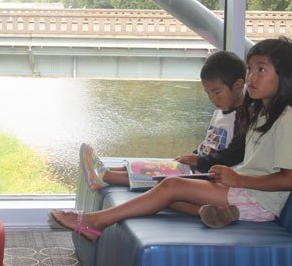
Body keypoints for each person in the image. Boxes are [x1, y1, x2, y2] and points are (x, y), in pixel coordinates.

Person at [50, 36, 292, 238]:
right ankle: (217, 214)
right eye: (250, 69)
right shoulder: (262, 111)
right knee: (167, 191)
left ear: (285, 75)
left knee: (170, 187)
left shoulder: (288, 118)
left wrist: (237, 178)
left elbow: (289, 179)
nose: (251, 77)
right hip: (243, 192)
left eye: (262, 70)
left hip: (260, 201)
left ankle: (95, 222)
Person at [81, 50, 247, 190]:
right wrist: (195, 155)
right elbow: (209, 144)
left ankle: (104, 176)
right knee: (158, 166)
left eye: (217, 92)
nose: (212, 98)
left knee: (163, 175)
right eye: (207, 93)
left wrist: (200, 160)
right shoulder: (221, 110)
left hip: (213, 175)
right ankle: (106, 169)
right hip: (202, 166)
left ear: (238, 86)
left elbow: (234, 155)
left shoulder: (244, 117)